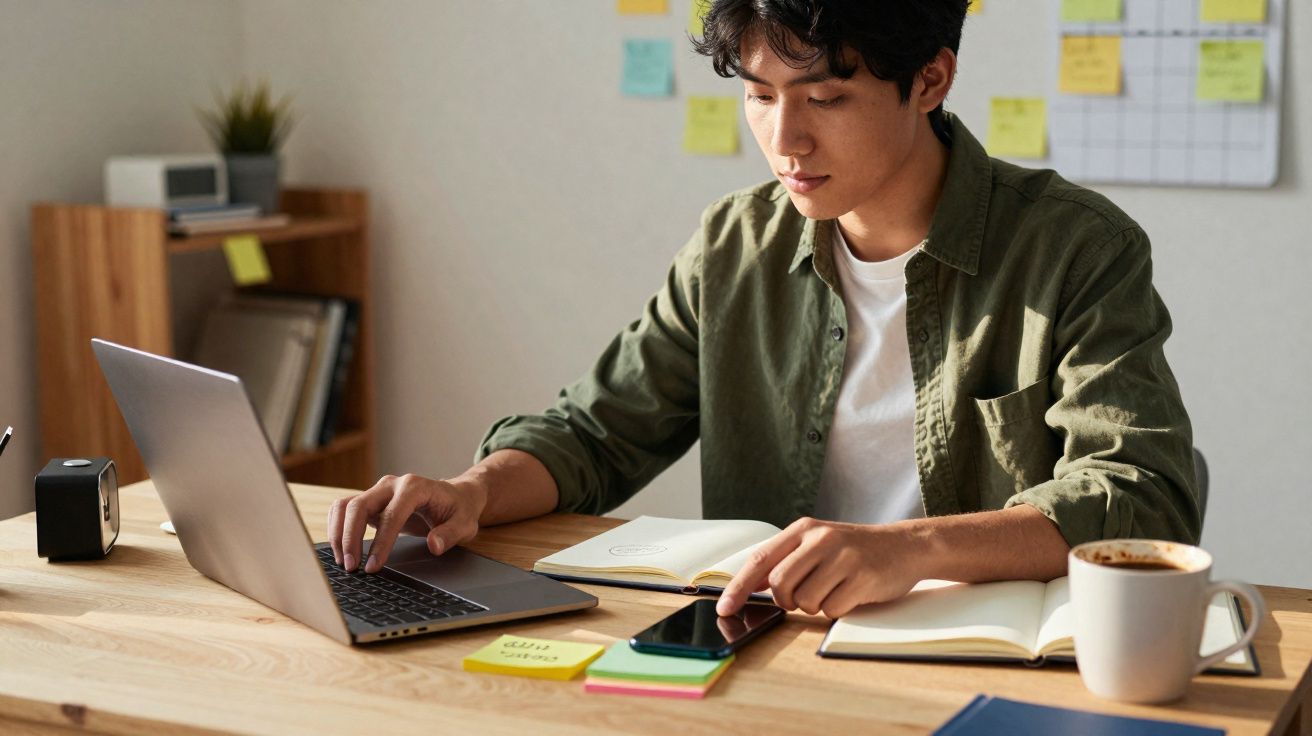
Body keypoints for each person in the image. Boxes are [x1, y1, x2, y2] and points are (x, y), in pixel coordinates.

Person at [328, 0, 1200, 620]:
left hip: (976, 654)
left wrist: (907, 548)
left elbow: (1142, 495)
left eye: (824, 98)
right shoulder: (735, 243)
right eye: (758, 94)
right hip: (770, 643)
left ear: (930, 80)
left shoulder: (1076, 248)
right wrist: (471, 492)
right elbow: (597, 432)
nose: (785, 139)